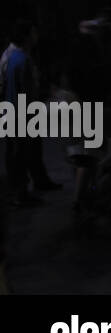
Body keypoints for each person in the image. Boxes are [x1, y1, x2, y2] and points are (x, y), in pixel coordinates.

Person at [2, 21, 59, 206]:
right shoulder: (22, 60)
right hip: (22, 114)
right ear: (26, 36)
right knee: (20, 154)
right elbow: (26, 92)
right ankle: (20, 194)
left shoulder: (14, 58)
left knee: (18, 153)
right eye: (33, 32)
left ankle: (20, 191)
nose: (37, 36)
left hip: (13, 112)